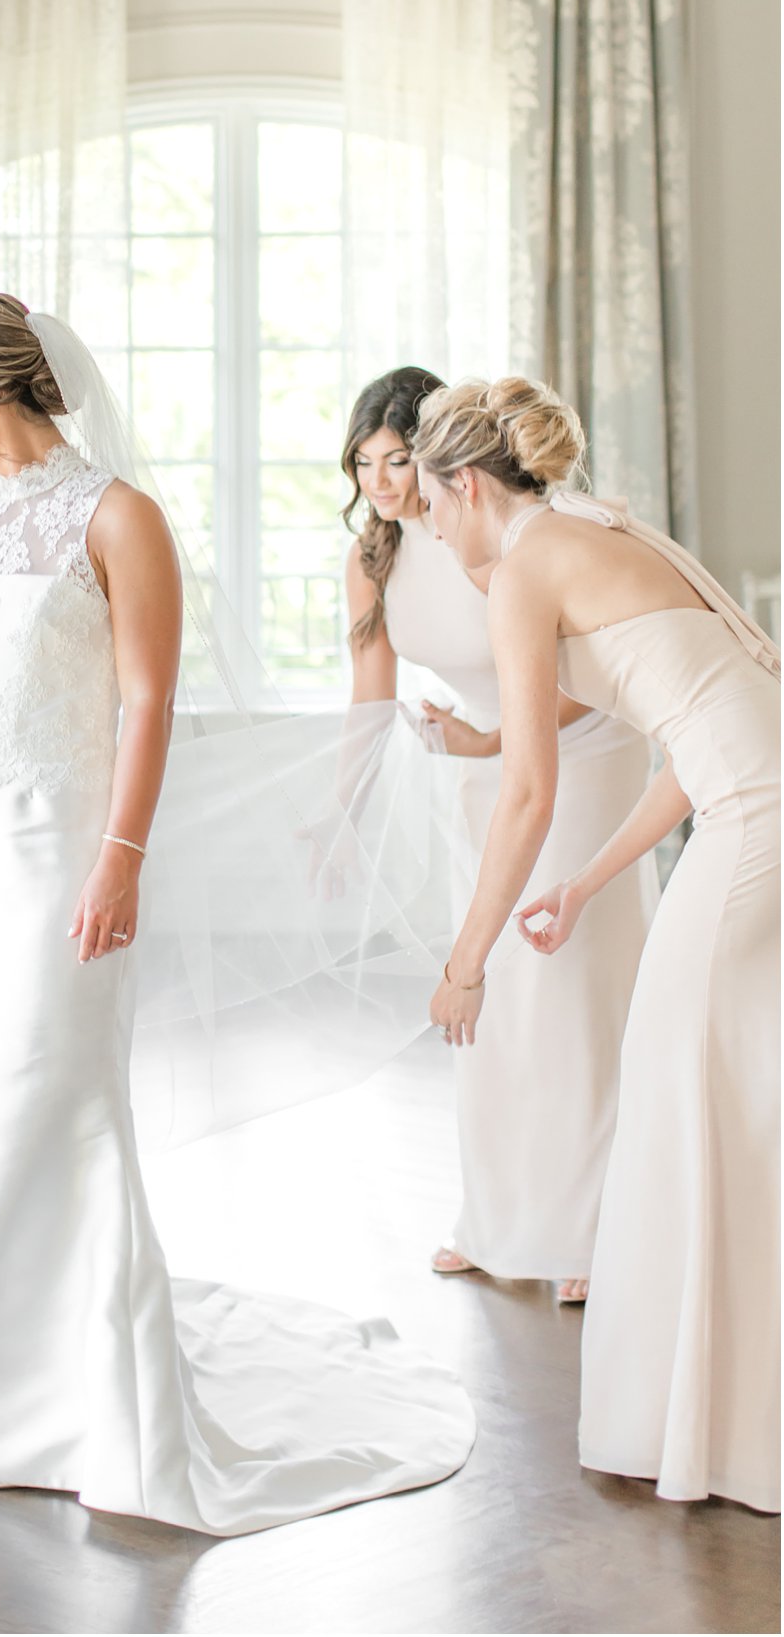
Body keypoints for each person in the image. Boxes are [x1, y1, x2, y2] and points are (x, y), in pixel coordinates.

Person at [0, 293, 474, 1536]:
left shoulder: (118, 516)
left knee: (56, 1095)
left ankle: (69, 1385)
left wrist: (119, 855)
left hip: (61, 850)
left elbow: (145, 704)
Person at [413, 376, 779, 1514]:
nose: (421, 525)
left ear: (463, 485)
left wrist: (464, 959)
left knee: (678, 1096)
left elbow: (526, 787)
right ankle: (723, 1410)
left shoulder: (528, 567)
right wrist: (582, 883)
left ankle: (708, 1425)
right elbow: (701, 734)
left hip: (754, 827)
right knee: (731, 1098)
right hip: (754, 809)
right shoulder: (601, 527)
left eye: (424, 503)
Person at [343, 368, 656, 1304]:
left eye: (402, 461)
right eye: (363, 463)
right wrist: (340, 811)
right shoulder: (376, 555)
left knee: (562, 984)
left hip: (579, 748)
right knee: (487, 995)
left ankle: (592, 1228)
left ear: (450, 465)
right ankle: (494, 1216)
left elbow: (588, 673)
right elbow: (367, 697)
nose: (384, 484)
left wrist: (488, 736)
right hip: (481, 773)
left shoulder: (528, 534)